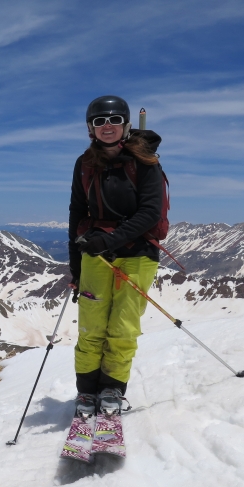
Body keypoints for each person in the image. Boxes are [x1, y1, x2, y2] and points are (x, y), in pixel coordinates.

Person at [67, 95, 163, 416]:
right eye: (99, 122)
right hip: (95, 254)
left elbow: (150, 212)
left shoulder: (145, 162)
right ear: (91, 129)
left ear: (125, 125)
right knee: (91, 328)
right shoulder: (84, 164)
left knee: (122, 329)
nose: (107, 127)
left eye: (114, 121)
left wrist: (109, 240)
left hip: (137, 253)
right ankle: (86, 392)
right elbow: (77, 212)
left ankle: (111, 389)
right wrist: (75, 266)